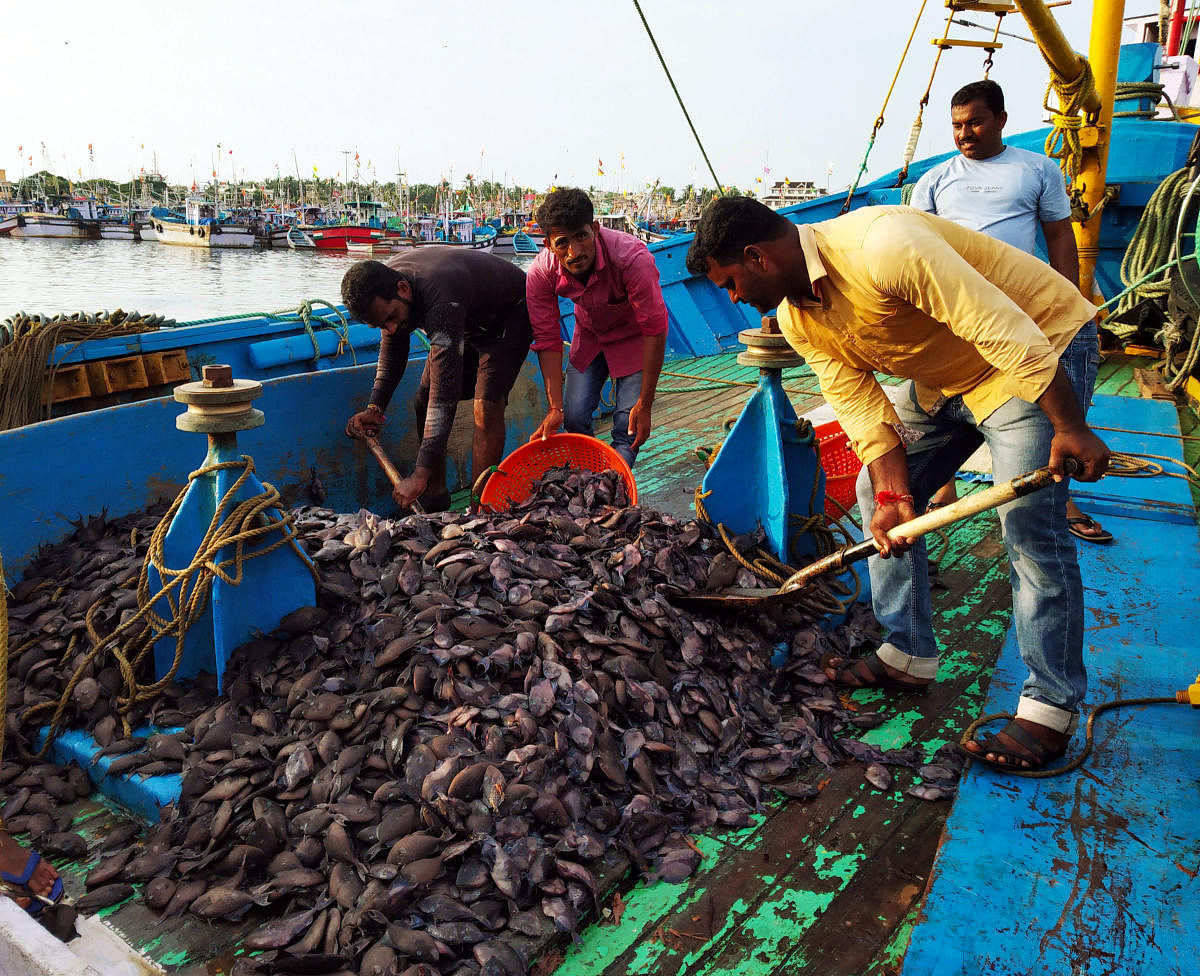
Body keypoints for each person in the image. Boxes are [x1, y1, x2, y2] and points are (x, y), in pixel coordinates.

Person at [686, 197, 1109, 772]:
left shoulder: (882, 246)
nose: (732, 299)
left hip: (1039, 347)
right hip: (944, 377)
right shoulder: (796, 318)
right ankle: (906, 651)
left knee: (1030, 522)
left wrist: (1070, 426)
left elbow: (1003, 329)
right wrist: (893, 498)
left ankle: (1050, 705)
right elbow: (861, 408)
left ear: (757, 257)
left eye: (730, 282)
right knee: (873, 493)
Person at [911, 78, 1112, 544]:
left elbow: (1059, 235)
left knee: (1053, 402)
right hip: (957, 310)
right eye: (958, 125)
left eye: (976, 122)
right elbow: (917, 248)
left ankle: (1060, 497)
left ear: (1001, 119)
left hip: (1023, 306)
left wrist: (1068, 299)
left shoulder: (1037, 169)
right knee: (942, 400)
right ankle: (943, 489)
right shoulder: (935, 180)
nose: (965, 134)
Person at [341, 252, 532, 511]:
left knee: (485, 406)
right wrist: (375, 408)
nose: (393, 327)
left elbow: (445, 395)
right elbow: (393, 350)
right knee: (423, 399)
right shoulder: (389, 292)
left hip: (511, 313)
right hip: (467, 319)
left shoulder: (438, 297)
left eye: (392, 317)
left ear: (403, 288)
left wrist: (419, 472)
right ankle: (436, 493)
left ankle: (480, 507)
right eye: (382, 325)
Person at [525, 187, 668, 467]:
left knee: (628, 427)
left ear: (595, 229)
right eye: (562, 242)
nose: (574, 252)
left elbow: (655, 328)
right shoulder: (541, 273)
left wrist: (646, 403)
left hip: (634, 339)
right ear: (548, 245)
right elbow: (547, 338)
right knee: (575, 417)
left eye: (581, 236)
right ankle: (590, 476)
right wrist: (555, 408)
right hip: (590, 337)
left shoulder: (632, 259)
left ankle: (612, 484)